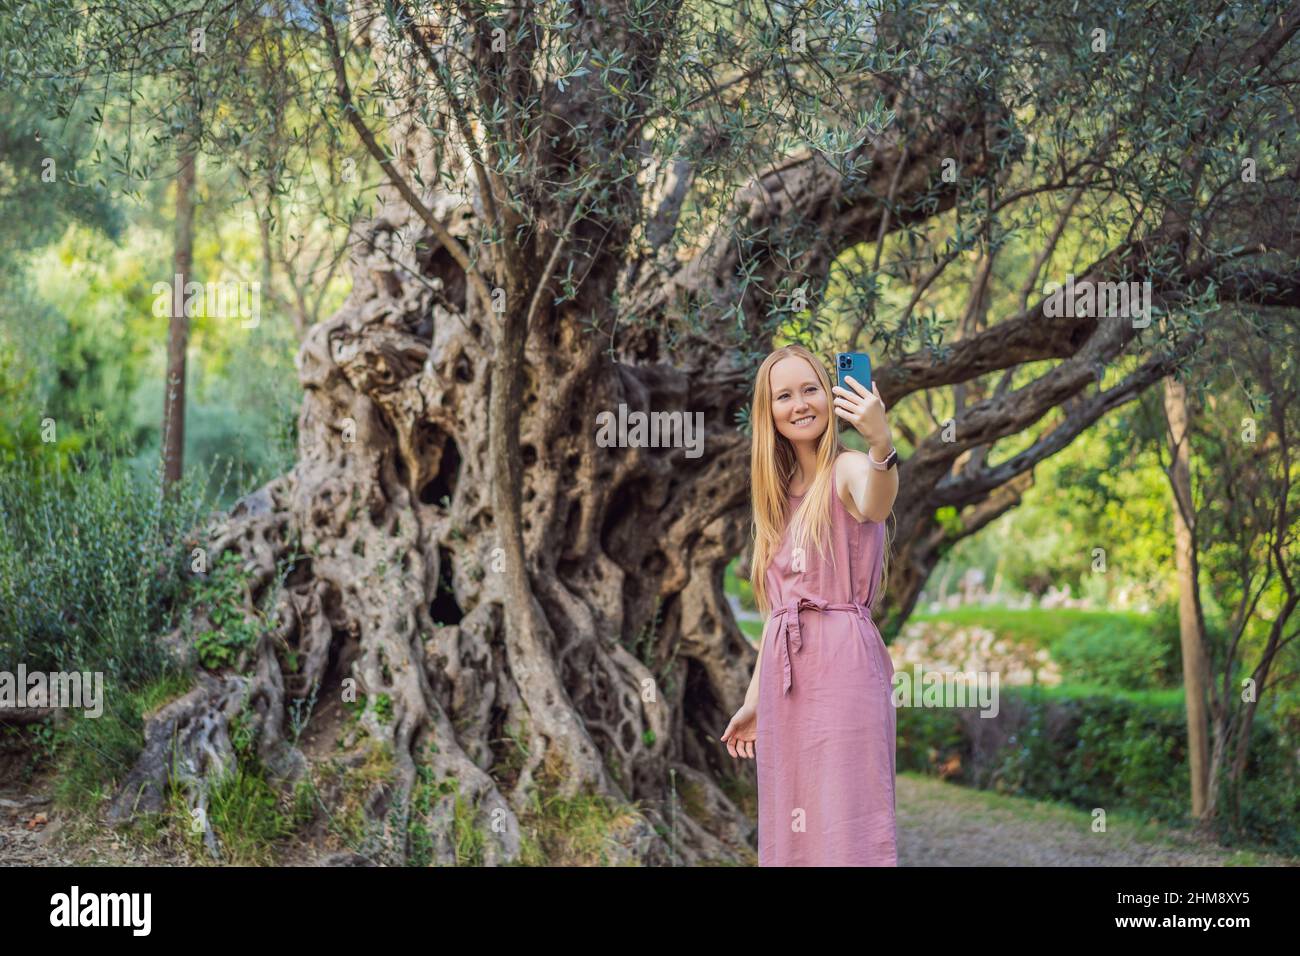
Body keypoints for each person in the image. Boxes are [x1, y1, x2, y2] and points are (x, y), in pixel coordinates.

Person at [720, 344, 901, 866]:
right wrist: (755, 701)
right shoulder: (774, 495)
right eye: (784, 395)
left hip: (844, 665)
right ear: (768, 412)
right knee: (792, 821)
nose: (800, 404)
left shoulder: (848, 468)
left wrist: (881, 441)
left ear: (830, 395)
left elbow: (876, 500)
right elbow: (781, 614)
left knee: (847, 819)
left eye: (811, 389)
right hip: (785, 684)